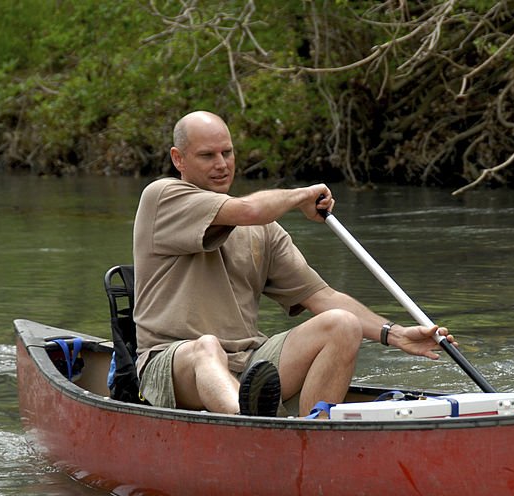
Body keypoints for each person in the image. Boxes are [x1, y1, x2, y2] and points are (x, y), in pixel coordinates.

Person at [132, 111, 454, 417]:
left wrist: (395, 334)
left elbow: (322, 298)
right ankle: (252, 424)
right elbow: (248, 210)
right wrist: (301, 196)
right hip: (171, 364)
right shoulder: (162, 197)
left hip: (249, 362)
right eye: (207, 156)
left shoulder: (264, 230)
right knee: (206, 347)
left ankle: (313, 429)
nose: (221, 164)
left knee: (342, 323)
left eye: (227, 153)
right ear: (178, 159)